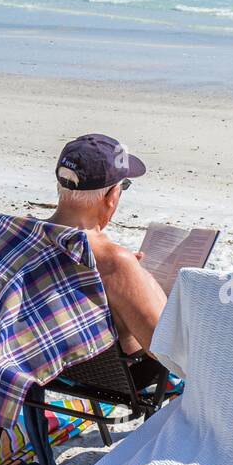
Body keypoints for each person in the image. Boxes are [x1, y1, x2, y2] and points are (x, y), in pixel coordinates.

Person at [48, 133, 166, 353]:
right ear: (112, 195)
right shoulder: (112, 261)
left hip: (43, 368)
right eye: (124, 186)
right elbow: (165, 348)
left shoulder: (25, 235)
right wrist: (143, 277)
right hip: (111, 377)